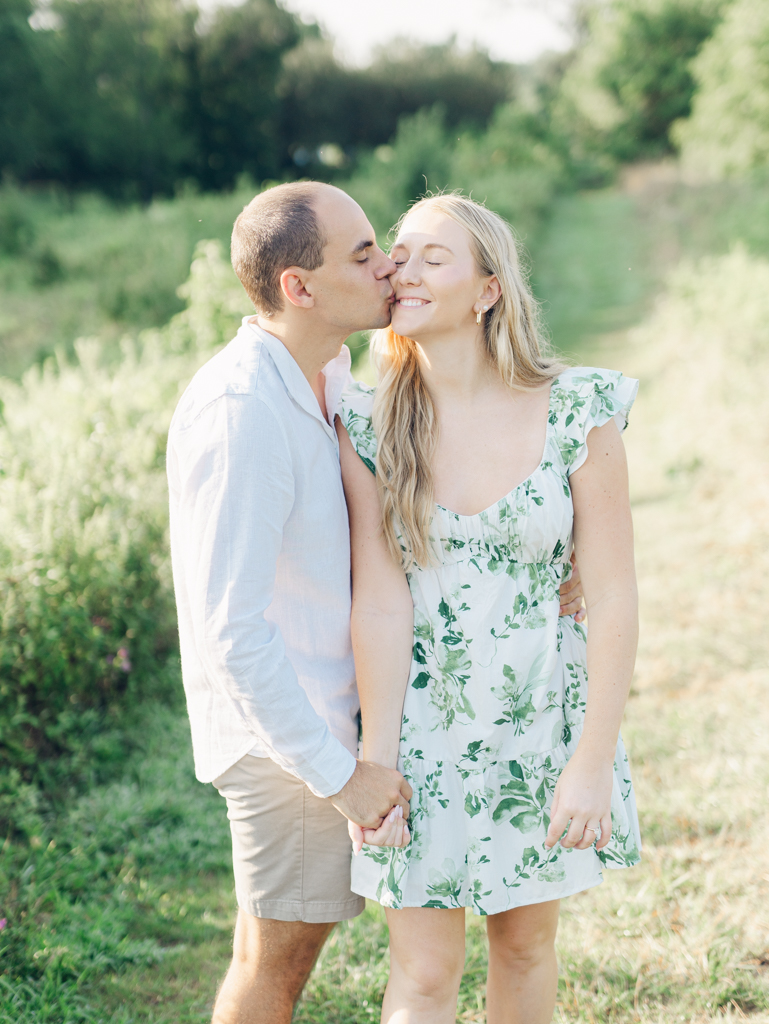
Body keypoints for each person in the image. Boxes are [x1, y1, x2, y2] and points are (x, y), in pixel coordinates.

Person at [166, 182, 585, 1024]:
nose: (387, 263)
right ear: (299, 287)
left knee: (293, 957)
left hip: (342, 723)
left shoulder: (330, 372)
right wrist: (341, 777)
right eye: (363, 252)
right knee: (274, 964)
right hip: (289, 741)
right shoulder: (243, 410)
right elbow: (230, 634)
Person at [336, 193, 641, 1024]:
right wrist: (377, 758)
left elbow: (613, 595)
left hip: (540, 720)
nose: (403, 268)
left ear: (486, 290)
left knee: (523, 948)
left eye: (435, 255)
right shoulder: (367, 423)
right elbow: (380, 599)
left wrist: (590, 760)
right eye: (400, 252)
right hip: (420, 726)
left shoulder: (578, 409)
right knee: (425, 971)